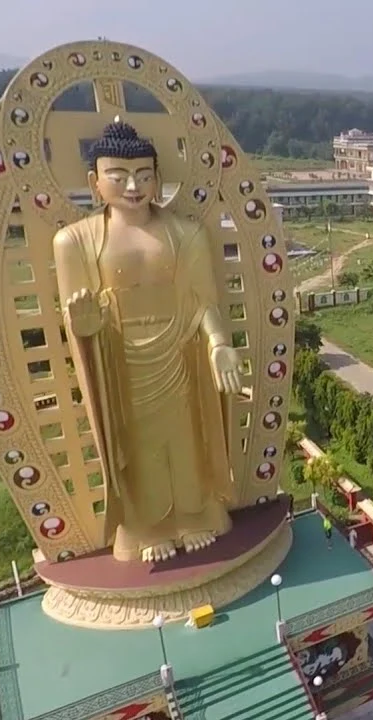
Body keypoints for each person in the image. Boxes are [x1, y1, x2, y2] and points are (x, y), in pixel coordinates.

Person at [54, 120, 241, 563]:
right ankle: (146, 528)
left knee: (186, 439)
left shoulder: (185, 233)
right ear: (94, 182)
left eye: (144, 174)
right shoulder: (75, 241)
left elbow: (202, 301)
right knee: (136, 448)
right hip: (120, 362)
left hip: (179, 351)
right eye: (118, 175)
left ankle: (194, 516)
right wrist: (83, 325)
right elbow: (76, 317)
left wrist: (218, 343)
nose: (134, 186)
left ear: (157, 178)